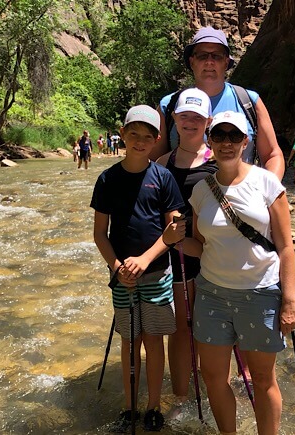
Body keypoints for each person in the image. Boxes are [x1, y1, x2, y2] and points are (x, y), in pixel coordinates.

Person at [171, 111, 295, 434]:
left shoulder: (267, 183)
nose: (226, 142)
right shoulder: (201, 192)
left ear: (245, 141)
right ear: (209, 141)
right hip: (212, 295)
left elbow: (285, 247)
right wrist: (174, 241)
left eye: (234, 136)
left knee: (263, 379)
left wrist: (289, 301)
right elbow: (202, 247)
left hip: (260, 294)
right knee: (213, 376)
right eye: (219, 135)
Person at [91, 105, 186, 432]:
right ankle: (129, 407)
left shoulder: (163, 178)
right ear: (123, 134)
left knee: (154, 339)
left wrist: (143, 261)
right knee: (130, 341)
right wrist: (117, 267)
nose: (140, 141)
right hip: (122, 278)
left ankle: (153, 406)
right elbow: (99, 234)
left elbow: (173, 232)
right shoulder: (107, 179)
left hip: (158, 272)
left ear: (157, 139)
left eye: (148, 136)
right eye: (134, 134)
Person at [155, 88, 218, 411]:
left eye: (197, 117)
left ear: (208, 121)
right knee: (181, 327)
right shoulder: (161, 164)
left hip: (212, 259)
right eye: (184, 116)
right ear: (174, 120)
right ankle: (181, 397)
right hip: (177, 257)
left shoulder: (220, 163)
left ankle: (214, 392)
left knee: (212, 327)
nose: (190, 122)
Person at [153, 26, 285, 180]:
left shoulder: (248, 101)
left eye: (216, 56)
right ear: (192, 61)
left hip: (239, 200)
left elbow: (272, 155)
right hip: (180, 200)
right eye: (202, 56)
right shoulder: (168, 105)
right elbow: (153, 161)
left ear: (226, 62)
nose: (209, 62)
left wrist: (269, 194)